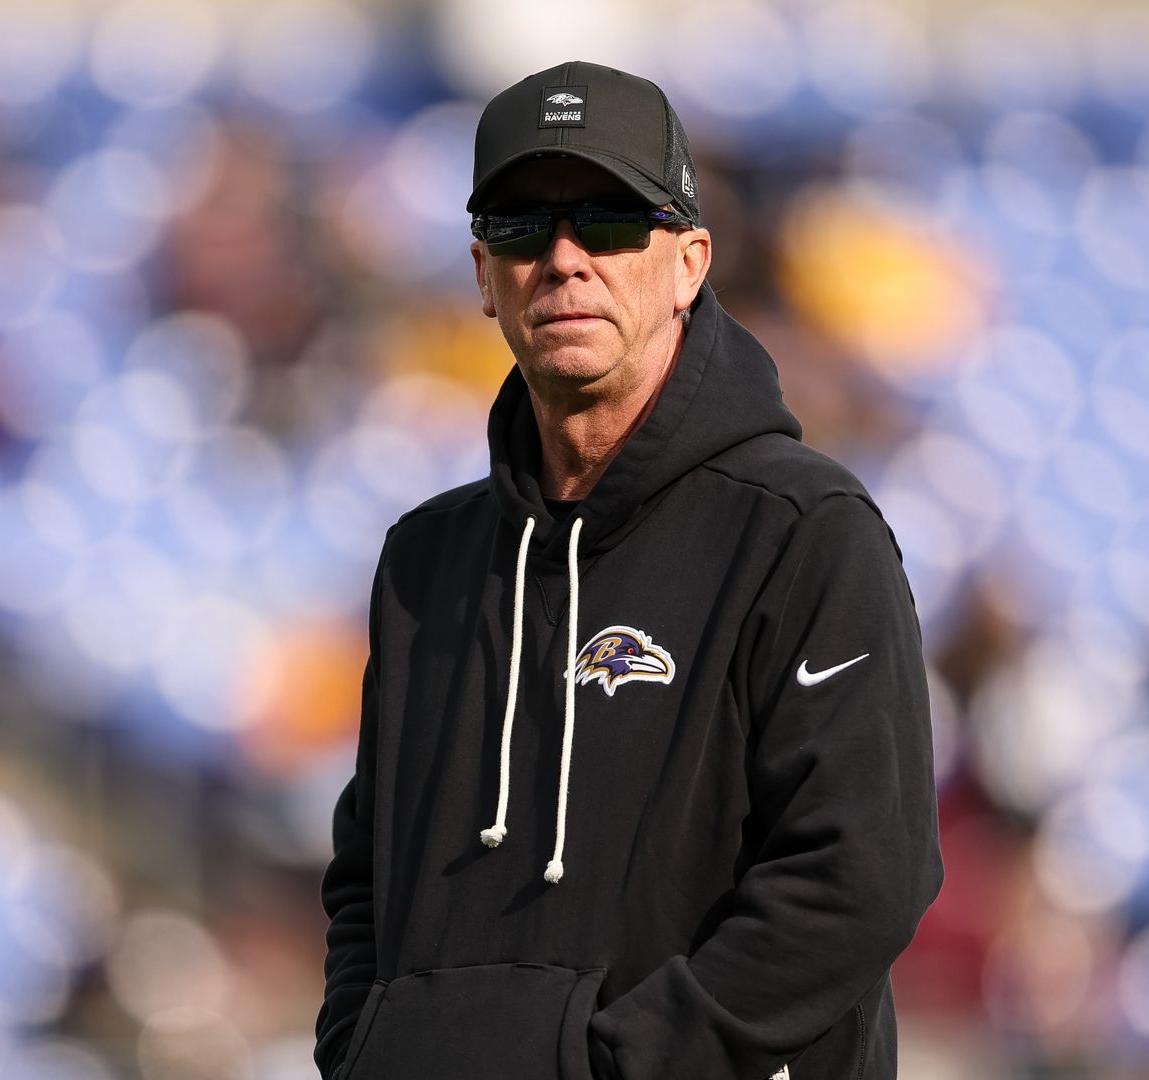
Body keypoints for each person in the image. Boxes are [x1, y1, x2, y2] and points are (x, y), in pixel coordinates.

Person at [315, 61, 943, 1080]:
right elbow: (364, 877)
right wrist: (366, 1049)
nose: (564, 259)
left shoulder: (804, 529)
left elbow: (860, 876)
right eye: (522, 224)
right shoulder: (422, 561)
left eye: (608, 220)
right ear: (483, 273)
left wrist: (626, 1066)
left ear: (689, 261)